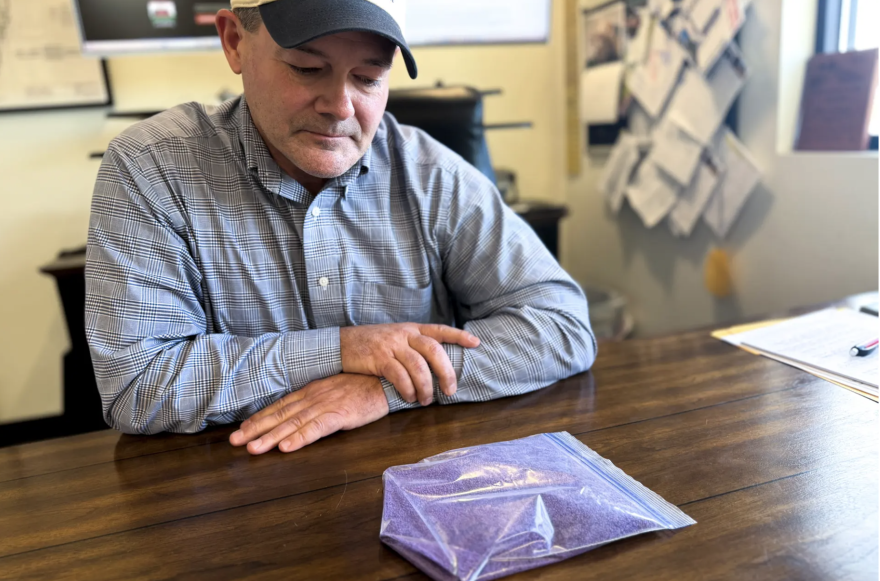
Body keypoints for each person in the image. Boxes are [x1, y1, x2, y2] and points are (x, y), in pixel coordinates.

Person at [85, 0, 596, 456]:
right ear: (235, 42)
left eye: (369, 78)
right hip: (238, 502)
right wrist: (346, 349)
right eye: (308, 69)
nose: (341, 107)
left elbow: (562, 326)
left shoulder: (430, 174)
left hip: (420, 479)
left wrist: (386, 386)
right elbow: (137, 383)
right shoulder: (152, 168)